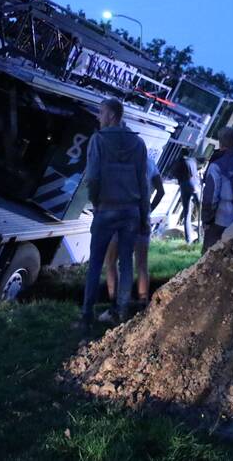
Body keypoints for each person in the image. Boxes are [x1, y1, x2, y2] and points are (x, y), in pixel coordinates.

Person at [79, 97, 150, 326]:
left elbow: (92, 177)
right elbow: (143, 182)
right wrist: (145, 215)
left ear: (112, 115)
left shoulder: (98, 140)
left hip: (107, 209)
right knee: (127, 262)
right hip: (131, 211)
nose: (98, 118)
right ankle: (121, 311)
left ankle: (87, 315)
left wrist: (95, 201)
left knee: (96, 264)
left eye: (101, 113)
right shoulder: (138, 144)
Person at [103, 156, 164, 316]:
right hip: (142, 218)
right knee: (141, 265)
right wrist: (149, 208)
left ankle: (115, 306)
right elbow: (161, 191)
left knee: (111, 262)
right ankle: (143, 306)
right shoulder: (150, 162)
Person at [173, 151, 202, 243]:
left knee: (187, 213)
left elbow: (175, 174)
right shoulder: (193, 160)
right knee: (202, 211)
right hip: (196, 186)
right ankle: (202, 236)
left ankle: (188, 240)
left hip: (184, 186)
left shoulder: (178, 162)